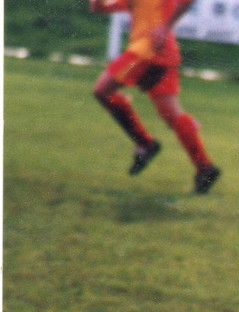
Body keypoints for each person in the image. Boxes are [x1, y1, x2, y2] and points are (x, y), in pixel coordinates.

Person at [90, 0, 221, 193]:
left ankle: (145, 143)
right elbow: (99, 7)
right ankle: (205, 167)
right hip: (160, 52)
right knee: (173, 115)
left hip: (147, 50)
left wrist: (165, 26)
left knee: (102, 89)